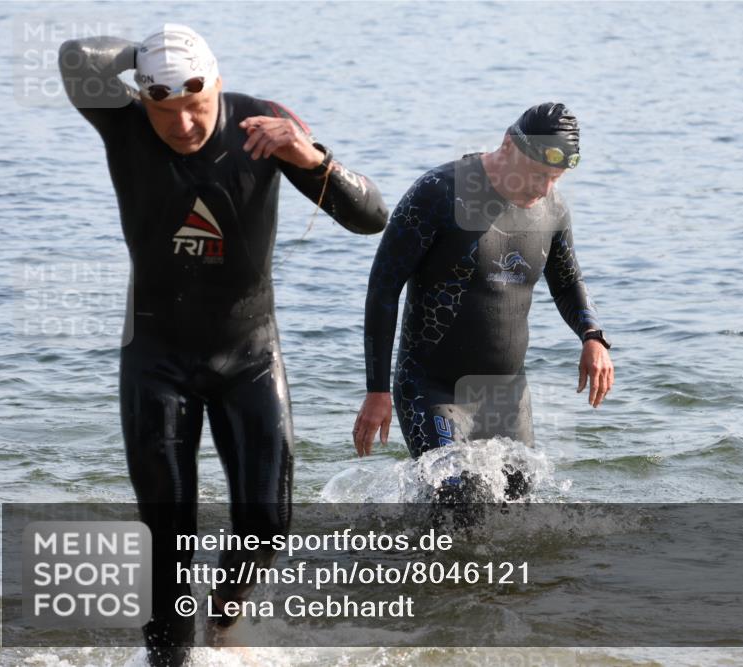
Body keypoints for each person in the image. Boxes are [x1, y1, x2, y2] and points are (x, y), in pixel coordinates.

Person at [58, 24, 387, 665]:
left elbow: (371, 217)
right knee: (168, 538)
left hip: (249, 357)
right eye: (165, 108)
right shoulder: (122, 124)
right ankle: (170, 659)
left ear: (217, 82)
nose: (182, 124)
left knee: (267, 527)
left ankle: (220, 624)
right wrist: (152, 52)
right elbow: (75, 58)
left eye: (195, 103)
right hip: (157, 361)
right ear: (143, 98)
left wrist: (309, 157)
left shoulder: (263, 126)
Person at [353, 102, 614, 498]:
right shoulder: (439, 193)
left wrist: (592, 336)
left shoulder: (553, 208)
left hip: (508, 396)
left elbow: (567, 282)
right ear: (509, 146)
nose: (543, 189)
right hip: (433, 389)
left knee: (518, 509)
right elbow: (384, 289)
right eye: (538, 175)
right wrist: (376, 391)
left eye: (555, 178)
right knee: (457, 501)